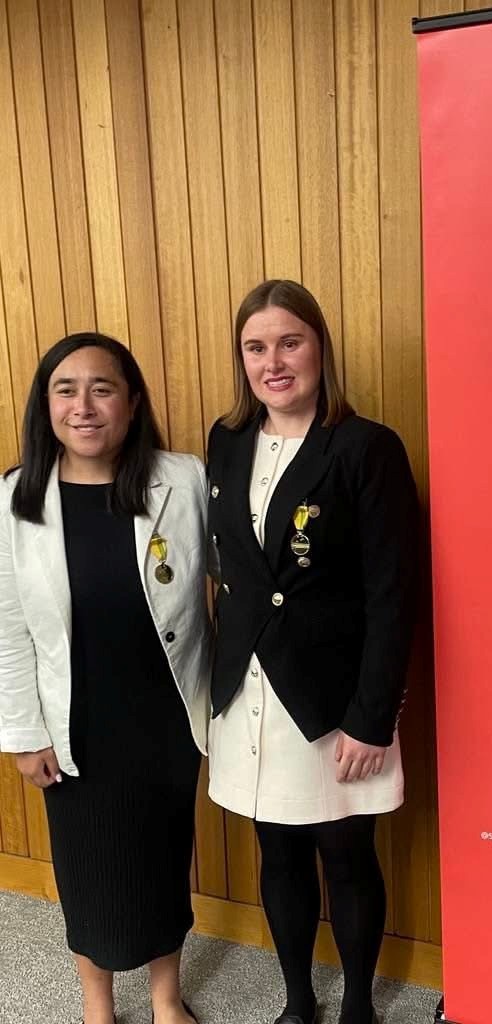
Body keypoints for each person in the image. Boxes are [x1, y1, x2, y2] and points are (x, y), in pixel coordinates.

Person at [206, 280, 418, 1024]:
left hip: (334, 701)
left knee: (346, 852)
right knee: (278, 852)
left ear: (320, 348)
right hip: (248, 691)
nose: (273, 363)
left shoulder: (366, 447)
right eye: (255, 347)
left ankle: (358, 1005)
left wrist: (372, 718)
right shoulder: (227, 440)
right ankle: (298, 1001)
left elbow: (394, 595)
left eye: (289, 342)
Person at [0, 333, 211, 1024]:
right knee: (86, 871)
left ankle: (166, 997)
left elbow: (232, 573)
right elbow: (7, 629)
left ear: (132, 401)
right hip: (74, 720)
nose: (83, 406)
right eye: (65, 390)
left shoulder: (182, 479)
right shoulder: (15, 499)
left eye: (102, 388)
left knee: (163, 860)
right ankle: (97, 1005)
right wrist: (24, 735)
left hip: (165, 714)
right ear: (46, 405)